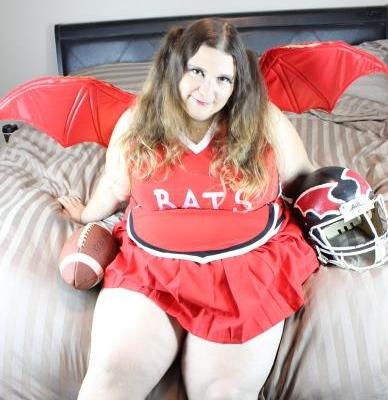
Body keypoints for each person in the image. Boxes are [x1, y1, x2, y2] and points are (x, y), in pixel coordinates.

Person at [58, 18, 319, 400]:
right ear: (174, 66)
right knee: (109, 383)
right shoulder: (137, 121)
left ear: (238, 83)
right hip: (152, 264)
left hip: (246, 267)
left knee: (223, 393)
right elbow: (115, 186)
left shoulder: (263, 119)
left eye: (223, 79)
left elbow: (302, 177)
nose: (207, 91)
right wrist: (84, 216)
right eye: (197, 71)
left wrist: (339, 197)